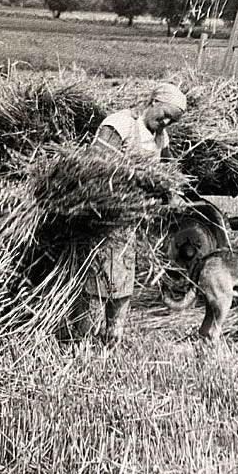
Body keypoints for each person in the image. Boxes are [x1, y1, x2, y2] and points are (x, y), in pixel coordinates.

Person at [83, 82, 187, 344]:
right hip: (104, 214)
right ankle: (87, 336)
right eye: (165, 115)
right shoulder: (120, 124)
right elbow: (95, 166)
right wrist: (132, 179)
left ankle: (113, 336)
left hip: (131, 219)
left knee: (123, 273)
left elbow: (168, 171)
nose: (165, 123)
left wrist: (173, 194)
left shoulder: (160, 137)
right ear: (153, 102)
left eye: (172, 121)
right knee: (99, 274)